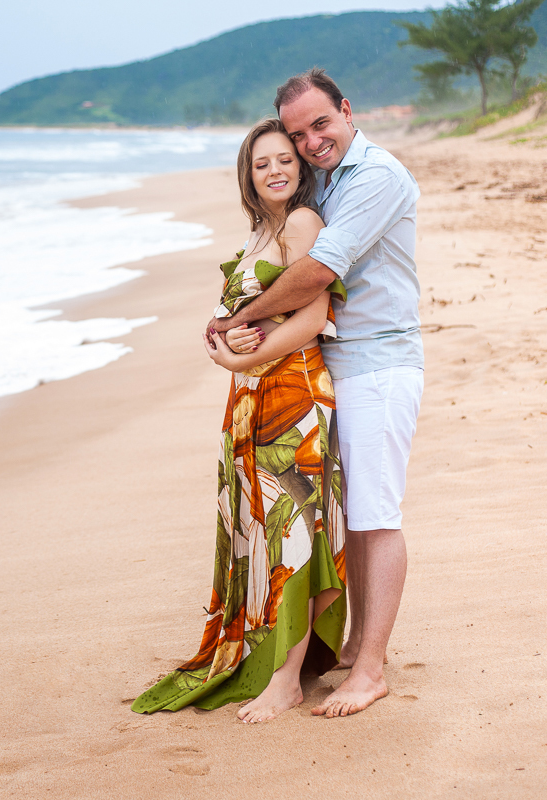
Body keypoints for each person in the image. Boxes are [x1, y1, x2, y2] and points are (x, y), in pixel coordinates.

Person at [208, 68, 424, 718]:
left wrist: (238, 323)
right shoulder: (324, 178)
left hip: (379, 363)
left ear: (347, 111)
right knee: (349, 512)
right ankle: (357, 643)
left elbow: (319, 272)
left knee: (375, 514)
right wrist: (233, 320)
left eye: (319, 125)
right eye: (299, 134)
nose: (310, 142)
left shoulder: (376, 177)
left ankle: (372, 669)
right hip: (335, 367)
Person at [132, 117, 349, 723]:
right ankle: (275, 659)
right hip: (250, 401)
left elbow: (311, 319)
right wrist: (224, 342)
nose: (275, 170)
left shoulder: (305, 224)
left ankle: (286, 680)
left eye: (285, 159)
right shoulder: (261, 231)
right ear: (248, 176)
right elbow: (239, 317)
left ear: (301, 167)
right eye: (262, 164)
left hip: (295, 398)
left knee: (295, 534)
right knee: (260, 532)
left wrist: (237, 353)